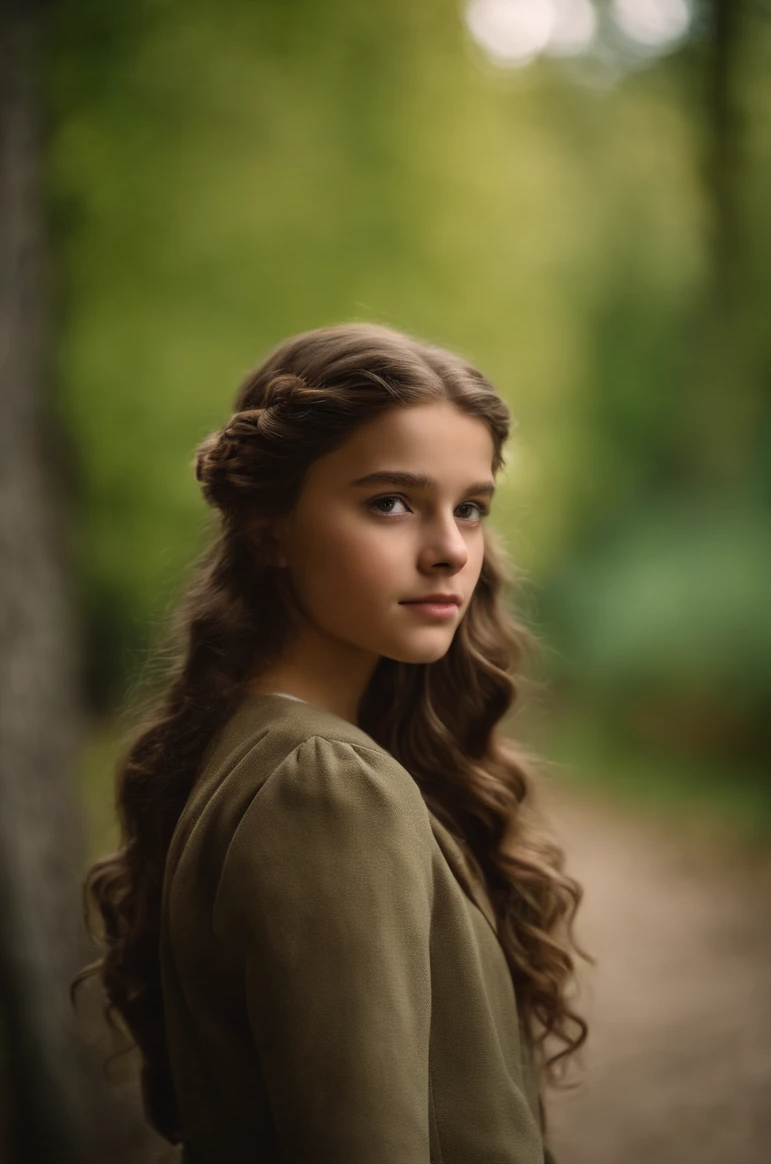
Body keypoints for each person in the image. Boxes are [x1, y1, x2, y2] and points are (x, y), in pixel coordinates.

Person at [73, 321, 590, 1163]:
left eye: (471, 509)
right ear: (270, 530)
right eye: (391, 502)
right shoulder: (324, 787)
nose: (450, 551)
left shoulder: (264, 751)